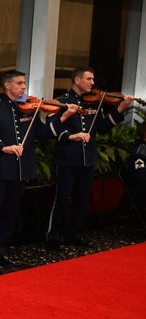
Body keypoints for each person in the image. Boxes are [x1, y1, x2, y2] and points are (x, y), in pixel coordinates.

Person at [0, 70, 61, 270]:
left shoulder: (30, 109)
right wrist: (3, 147)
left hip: (21, 170)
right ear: (7, 85)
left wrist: (63, 116)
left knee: (9, 214)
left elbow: (42, 134)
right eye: (20, 83)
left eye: (24, 83)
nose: (24, 87)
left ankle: (1, 251)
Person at [45, 67, 132, 249]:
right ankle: (52, 236)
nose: (93, 83)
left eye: (93, 79)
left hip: (88, 158)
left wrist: (120, 109)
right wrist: (70, 135)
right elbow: (53, 128)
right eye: (89, 79)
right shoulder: (62, 102)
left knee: (81, 199)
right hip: (67, 158)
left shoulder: (94, 103)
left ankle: (73, 234)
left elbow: (101, 127)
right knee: (61, 199)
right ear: (77, 80)